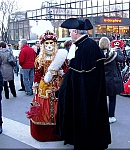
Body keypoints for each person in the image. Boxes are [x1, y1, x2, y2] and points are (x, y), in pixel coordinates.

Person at [56, 18, 111, 149]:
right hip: (80, 92)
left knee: (86, 116)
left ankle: (87, 142)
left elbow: (85, 73)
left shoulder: (88, 45)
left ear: (76, 31)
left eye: (71, 32)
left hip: (86, 94)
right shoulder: (79, 45)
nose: (70, 35)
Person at [25, 30, 68, 141]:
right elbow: (37, 74)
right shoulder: (39, 59)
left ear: (55, 44)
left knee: (61, 107)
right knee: (43, 109)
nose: (49, 46)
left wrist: (59, 72)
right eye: (47, 43)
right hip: (45, 87)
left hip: (58, 85)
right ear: (43, 45)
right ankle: (45, 133)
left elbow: (66, 70)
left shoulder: (61, 58)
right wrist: (35, 85)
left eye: (51, 43)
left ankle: (61, 131)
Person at [99, 37, 124, 123]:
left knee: (102, 99)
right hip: (112, 79)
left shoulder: (98, 54)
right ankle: (111, 116)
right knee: (112, 99)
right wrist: (118, 50)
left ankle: (102, 116)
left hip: (101, 80)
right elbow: (122, 59)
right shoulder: (114, 53)